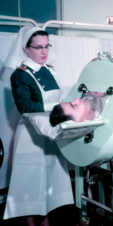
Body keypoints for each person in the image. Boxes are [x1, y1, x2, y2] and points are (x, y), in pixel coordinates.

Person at [3, 26, 74, 226]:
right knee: (30, 184)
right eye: (38, 48)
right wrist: (59, 107)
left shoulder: (50, 70)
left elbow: (59, 96)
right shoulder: (20, 75)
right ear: (26, 49)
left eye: (46, 47)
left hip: (51, 130)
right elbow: (24, 106)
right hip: (30, 136)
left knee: (49, 182)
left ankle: (46, 222)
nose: (44, 52)